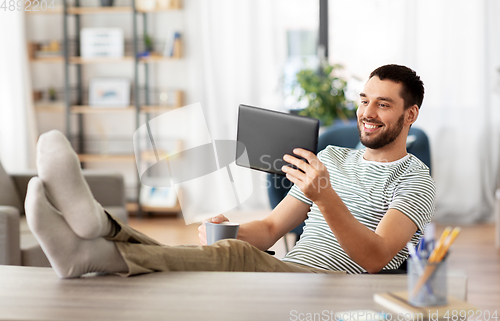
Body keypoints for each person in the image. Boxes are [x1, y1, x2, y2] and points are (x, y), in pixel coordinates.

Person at [26, 64, 435, 278]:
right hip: (288, 268)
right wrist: (232, 230)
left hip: (324, 280)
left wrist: (325, 197)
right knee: (224, 249)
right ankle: (92, 239)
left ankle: (95, 240)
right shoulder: (332, 156)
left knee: (229, 258)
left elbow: (378, 257)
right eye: (364, 100)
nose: (367, 113)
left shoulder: (414, 178)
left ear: (409, 114)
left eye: (383, 104)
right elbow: (272, 229)